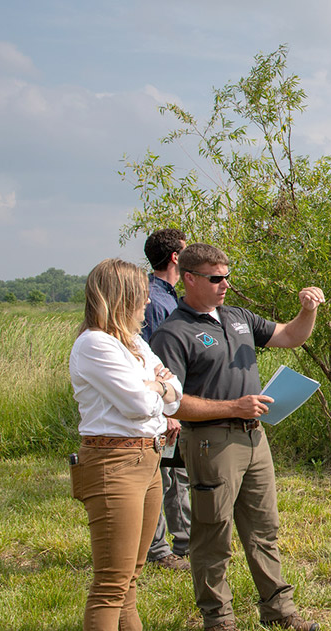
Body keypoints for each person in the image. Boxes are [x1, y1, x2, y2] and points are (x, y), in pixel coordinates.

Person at [149, 243, 324, 631]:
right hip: (211, 442)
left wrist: (308, 309)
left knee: (264, 528)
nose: (225, 284)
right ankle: (218, 621)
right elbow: (170, 400)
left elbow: (289, 336)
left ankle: (279, 611)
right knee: (213, 532)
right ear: (189, 278)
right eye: (216, 278)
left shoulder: (238, 317)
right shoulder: (173, 333)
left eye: (227, 275)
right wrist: (234, 405)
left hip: (254, 438)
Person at [68, 258, 185, 631]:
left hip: (147, 459)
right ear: (121, 297)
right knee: (110, 582)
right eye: (141, 297)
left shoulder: (134, 341)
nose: (147, 304)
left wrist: (157, 387)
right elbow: (141, 403)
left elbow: (175, 396)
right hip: (112, 464)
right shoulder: (94, 344)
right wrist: (155, 385)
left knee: (132, 572)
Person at [141, 228, 190, 572]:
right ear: (176, 257)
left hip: (174, 403)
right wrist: (168, 412)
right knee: (163, 477)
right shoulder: (157, 303)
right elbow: (157, 363)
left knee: (175, 474)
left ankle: (185, 542)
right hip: (164, 408)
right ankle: (158, 550)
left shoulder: (163, 296)